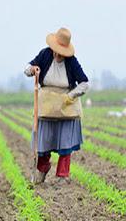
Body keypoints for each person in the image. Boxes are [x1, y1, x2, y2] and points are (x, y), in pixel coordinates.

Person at [25, 27, 89, 184]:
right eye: (56, 51)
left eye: (61, 53)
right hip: (46, 104)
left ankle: (62, 175)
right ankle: (42, 169)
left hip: (65, 105)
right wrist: (33, 69)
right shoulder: (45, 54)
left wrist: (70, 96)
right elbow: (27, 68)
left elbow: (84, 83)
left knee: (65, 142)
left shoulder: (72, 61)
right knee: (43, 141)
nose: (57, 55)